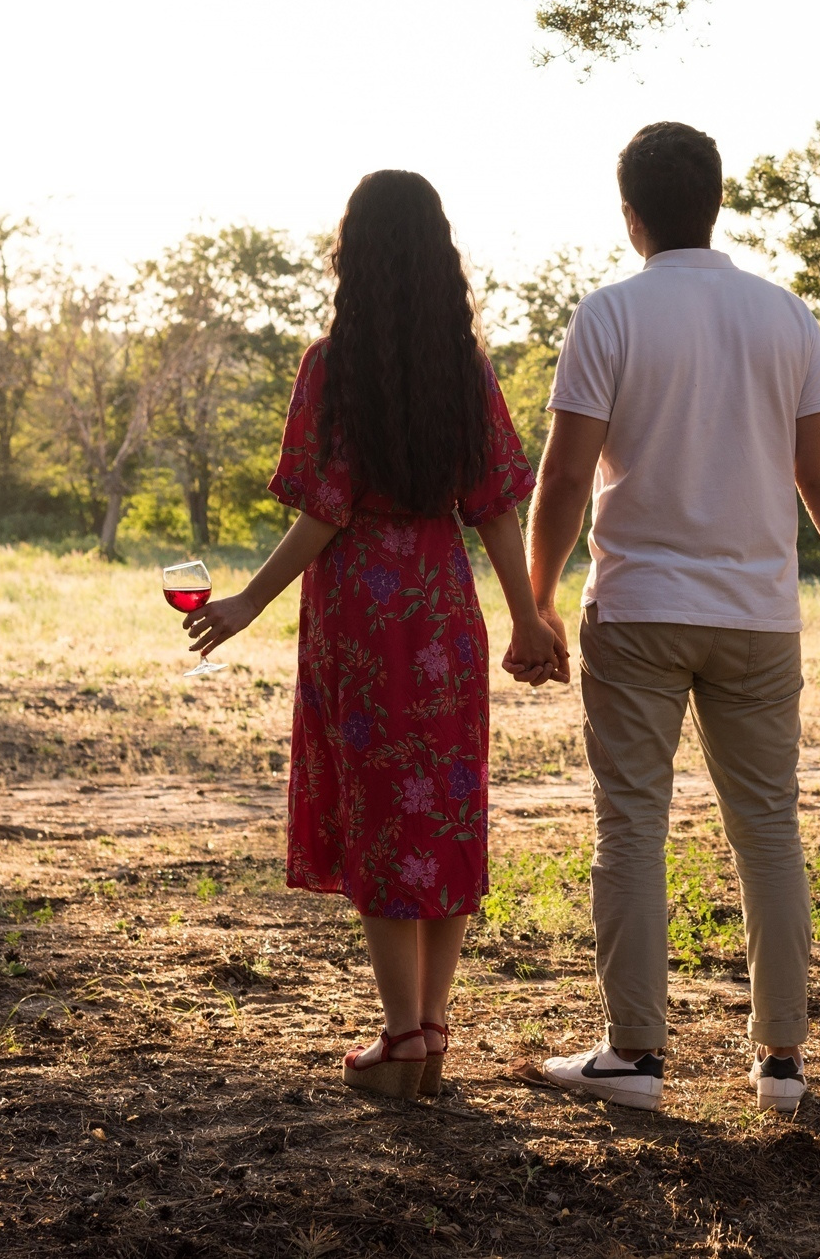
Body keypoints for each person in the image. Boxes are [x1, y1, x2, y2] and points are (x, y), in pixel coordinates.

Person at [519, 121, 820, 1114]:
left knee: (632, 827)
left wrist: (534, 602)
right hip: (756, 616)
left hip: (639, 612)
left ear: (631, 216)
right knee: (770, 831)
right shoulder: (784, 316)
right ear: (717, 203)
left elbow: (568, 473)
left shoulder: (609, 316)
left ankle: (634, 1060)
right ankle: (781, 1065)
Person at [184, 170, 563, 1102]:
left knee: (383, 816)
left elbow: (325, 511)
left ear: (355, 256)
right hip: (441, 603)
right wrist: (524, 616)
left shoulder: (333, 364)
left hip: (361, 611)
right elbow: (497, 511)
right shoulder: (464, 368)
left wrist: (247, 602)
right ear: (440, 257)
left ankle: (400, 1042)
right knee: (441, 811)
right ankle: (430, 1033)